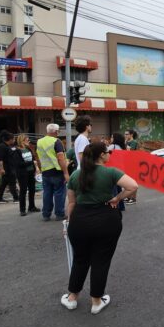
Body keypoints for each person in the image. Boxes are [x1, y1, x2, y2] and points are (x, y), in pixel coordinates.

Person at [61, 143, 138, 314]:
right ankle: (96, 301)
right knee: (101, 260)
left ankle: (72, 297)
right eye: (108, 152)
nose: (110, 154)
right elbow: (133, 186)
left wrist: (69, 223)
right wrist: (117, 198)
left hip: (79, 220)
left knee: (80, 259)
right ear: (102, 155)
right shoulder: (111, 172)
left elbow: (72, 202)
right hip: (106, 219)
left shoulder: (76, 174)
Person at [37, 124, 69, 221]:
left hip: (45, 171)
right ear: (56, 132)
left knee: (47, 193)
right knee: (59, 193)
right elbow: (60, 158)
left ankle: (46, 214)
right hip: (56, 171)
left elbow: (38, 156)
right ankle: (59, 214)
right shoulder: (56, 141)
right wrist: (66, 173)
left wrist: (39, 168)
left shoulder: (39, 141)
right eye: (58, 131)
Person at [15, 134, 40, 216]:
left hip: (30, 172)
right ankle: (22, 209)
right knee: (23, 190)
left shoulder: (28, 148)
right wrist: (31, 163)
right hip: (22, 173)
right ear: (22, 141)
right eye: (27, 140)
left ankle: (32, 206)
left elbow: (33, 159)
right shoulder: (17, 151)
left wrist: (36, 168)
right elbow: (19, 163)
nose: (29, 141)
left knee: (32, 189)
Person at [0, 131, 19, 204]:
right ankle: (16, 198)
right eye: (14, 139)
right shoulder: (1, 146)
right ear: (10, 139)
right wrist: (2, 169)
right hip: (7, 168)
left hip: (11, 167)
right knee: (12, 183)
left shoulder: (8, 146)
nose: (14, 140)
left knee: (4, 183)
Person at [123, 130, 139, 205]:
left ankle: (133, 198)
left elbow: (129, 152)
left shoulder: (134, 142)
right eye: (125, 134)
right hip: (127, 164)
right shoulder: (126, 142)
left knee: (133, 182)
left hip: (133, 165)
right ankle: (128, 197)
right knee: (128, 181)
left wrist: (125, 145)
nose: (125, 135)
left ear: (131, 135)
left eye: (127, 134)